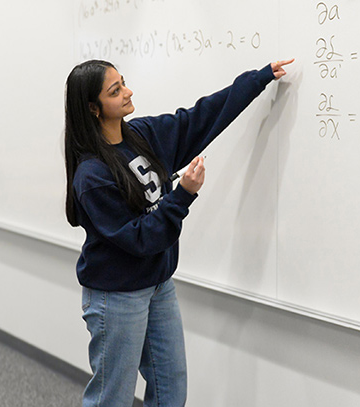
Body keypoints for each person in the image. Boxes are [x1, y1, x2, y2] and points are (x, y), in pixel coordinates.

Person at [64, 58, 293, 407]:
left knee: (171, 390)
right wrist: (183, 194)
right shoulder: (92, 177)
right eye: (116, 91)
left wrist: (256, 80)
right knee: (112, 398)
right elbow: (141, 238)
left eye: (123, 82)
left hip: (157, 285)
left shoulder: (141, 135)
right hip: (117, 296)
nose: (128, 92)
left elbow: (197, 120)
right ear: (94, 109)